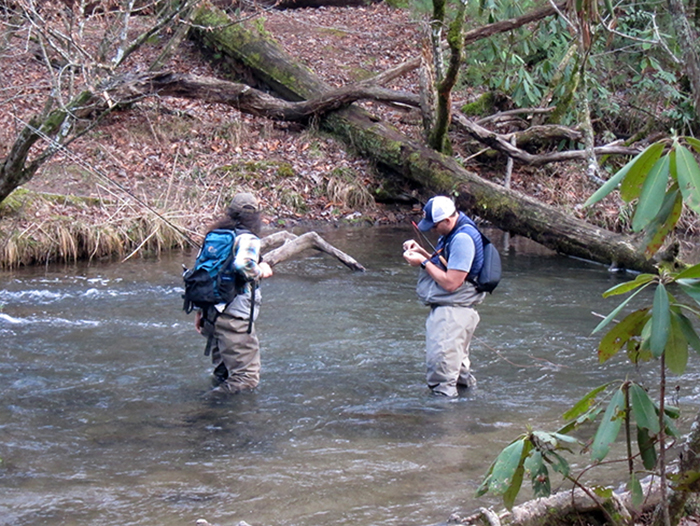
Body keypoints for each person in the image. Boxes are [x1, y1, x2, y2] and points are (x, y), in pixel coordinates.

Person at [402, 195, 486, 398]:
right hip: (457, 314)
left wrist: (422, 262)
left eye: (434, 225)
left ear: (447, 220)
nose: (431, 230)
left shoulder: (462, 240)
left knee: (442, 381)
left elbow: (451, 283)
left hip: (452, 315)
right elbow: (449, 265)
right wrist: (422, 252)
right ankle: (470, 413)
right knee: (459, 375)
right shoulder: (454, 231)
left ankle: (443, 426)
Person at [194, 192, 273, 393]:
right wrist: (260, 271)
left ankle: (219, 417)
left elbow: (200, 273)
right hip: (234, 316)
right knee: (245, 378)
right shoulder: (248, 238)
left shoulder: (215, 235)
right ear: (255, 216)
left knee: (223, 371)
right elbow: (242, 266)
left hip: (211, 313)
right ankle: (209, 409)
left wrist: (200, 312)